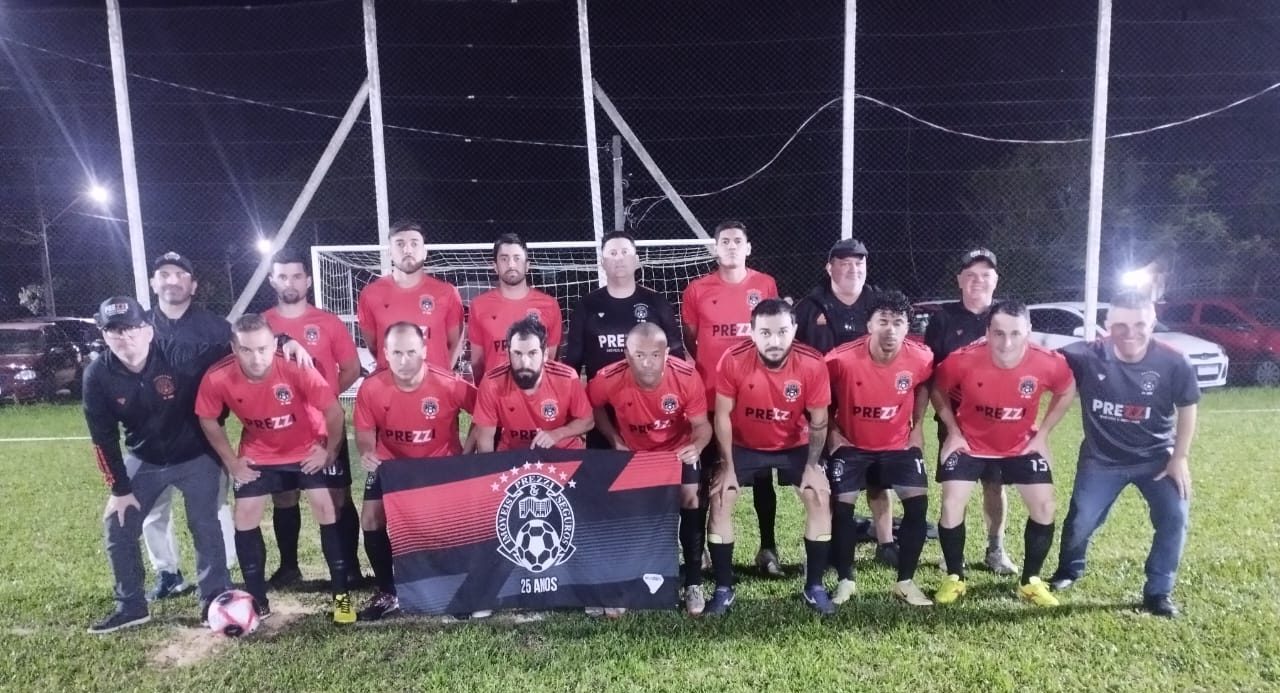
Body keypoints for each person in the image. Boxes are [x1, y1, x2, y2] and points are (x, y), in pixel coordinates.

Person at [81, 296, 233, 634]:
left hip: (196, 455)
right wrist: (120, 489)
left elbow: (231, 347)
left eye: (132, 328)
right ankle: (131, 606)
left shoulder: (179, 354)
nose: (125, 337)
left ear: (148, 330)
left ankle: (214, 597)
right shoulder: (97, 375)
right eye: (115, 330)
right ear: (104, 335)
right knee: (117, 524)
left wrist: (284, 341)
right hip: (145, 458)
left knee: (205, 523)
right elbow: (102, 439)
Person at [195, 314, 355, 624]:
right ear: (234, 348)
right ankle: (257, 601)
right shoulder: (217, 376)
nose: (256, 358)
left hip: (306, 447)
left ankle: (342, 598)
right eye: (247, 350)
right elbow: (207, 418)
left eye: (263, 349)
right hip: (259, 451)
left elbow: (334, 412)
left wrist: (328, 451)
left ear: (274, 345)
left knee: (326, 507)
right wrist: (231, 461)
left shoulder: (295, 366)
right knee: (245, 513)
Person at [1048, 291, 1199, 617]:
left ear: (1153, 323)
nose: (1130, 333)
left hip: (1157, 458)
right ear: (1107, 324)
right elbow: (1036, 361)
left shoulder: (1175, 361)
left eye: (1139, 324)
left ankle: (1159, 591)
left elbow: (1188, 407)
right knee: (1082, 518)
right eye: (1121, 325)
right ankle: (1069, 570)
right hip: (1101, 459)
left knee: (1175, 515)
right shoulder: (1086, 355)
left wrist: (1180, 458)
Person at [931, 300, 1076, 606]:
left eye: (1015, 333)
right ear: (987, 332)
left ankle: (1030, 581)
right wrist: (953, 431)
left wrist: (1043, 434)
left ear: (1028, 331)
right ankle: (954, 577)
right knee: (951, 503)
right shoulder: (963, 359)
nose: (1006, 342)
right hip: (971, 444)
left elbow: (1066, 389)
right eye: (998, 333)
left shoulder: (1048, 362)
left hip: (1020, 445)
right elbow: (937, 388)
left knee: (1045, 505)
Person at [705, 299, 833, 616]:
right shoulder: (733, 360)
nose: (774, 341)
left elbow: (819, 421)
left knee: (818, 496)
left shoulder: (812, 363)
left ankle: (814, 587)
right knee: (721, 497)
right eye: (765, 333)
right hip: (744, 444)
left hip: (794, 444)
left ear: (794, 330)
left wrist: (812, 466)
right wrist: (727, 466)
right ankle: (723, 588)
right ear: (751, 332)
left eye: (782, 332)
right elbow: (722, 416)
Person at [681, 220, 786, 577]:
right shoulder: (696, 290)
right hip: (712, 399)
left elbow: (772, 333)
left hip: (755, 398)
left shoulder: (764, 284)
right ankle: (702, 551)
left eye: (737, 241)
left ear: (748, 248)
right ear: (715, 248)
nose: (730, 246)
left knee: (761, 477)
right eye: (724, 241)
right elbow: (692, 340)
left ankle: (767, 548)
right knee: (707, 474)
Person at [353, 322, 476, 621]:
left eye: (411, 352)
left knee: (446, 526)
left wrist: (467, 453)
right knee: (370, 518)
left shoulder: (449, 383)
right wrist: (368, 452)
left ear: (424, 350)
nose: (404, 360)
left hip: (438, 465)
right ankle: (388, 591)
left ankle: (453, 589)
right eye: (397, 353)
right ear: (385, 353)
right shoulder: (371, 388)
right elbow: (364, 431)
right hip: (390, 464)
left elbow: (485, 411)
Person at [587, 322, 712, 616]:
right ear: (627, 355)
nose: (647, 362)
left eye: (655, 355)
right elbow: (592, 405)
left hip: (676, 452)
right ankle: (624, 583)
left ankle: (693, 581)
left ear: (666, 354)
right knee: (625, 510)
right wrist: (614, 439)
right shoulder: (608, 378)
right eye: (639, 355)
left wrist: (696, 446)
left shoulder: (686, 377)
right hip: (636, 455)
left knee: (690, 497)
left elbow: (702, 426)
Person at [824, 291, 935, 606]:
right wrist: (832, 431)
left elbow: (924, 384)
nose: (890, 329)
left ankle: (905, 582)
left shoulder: (921, 357)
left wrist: (917, 426)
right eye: (883, 321)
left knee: (918, 506)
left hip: (899, 445)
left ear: (907, 327)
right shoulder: (839, 359)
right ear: (869, 325)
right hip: (852, 445)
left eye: (898, 322)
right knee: (841, 508)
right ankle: (845, 580)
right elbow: (818, 394)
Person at [793, 238, 899, 568]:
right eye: (845, 263)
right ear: (830, 267)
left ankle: (886, 542)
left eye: (859, 263)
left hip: (871, 406)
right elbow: (795, 356)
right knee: (828, 480)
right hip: (822, 408)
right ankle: (829, 543)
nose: (854, 269)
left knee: (878, 479)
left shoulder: (880, 304)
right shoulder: (810, 307)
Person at [263, 249, 364, 588]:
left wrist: (326, 399)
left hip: (323, 427)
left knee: (337, 496)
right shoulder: (262, 325)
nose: (289, 283)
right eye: (282, 276)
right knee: (284, 496)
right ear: (272, 280)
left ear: (307, 280)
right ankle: (289, 567)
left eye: (296, 276)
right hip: (281, 430)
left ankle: (350, 568)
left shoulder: (328, 322)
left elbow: (351, 368)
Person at [140, 251, 236, 601]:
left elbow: (239, 370)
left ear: (193, 285)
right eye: (164, 274)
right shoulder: (138, 327)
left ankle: (223, 573)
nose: (172, 280)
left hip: (202, 435)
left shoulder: (217, 328)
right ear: (153, 283)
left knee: (213, 508)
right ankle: (168, 573)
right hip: (151, 438)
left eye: (180, 274)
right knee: (153, 511)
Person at [923, 248, 1017, 576]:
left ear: (996, 280)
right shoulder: (943, 319)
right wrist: (949, 424)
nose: (978, 281)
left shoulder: (1007, 317)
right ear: (960, 280)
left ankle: (995, 549)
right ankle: (952, 553)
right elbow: (932, 376)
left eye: (985, 275)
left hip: (997, 424)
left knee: (995, 486)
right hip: (955, 422)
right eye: (971, 275)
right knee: (955, 487)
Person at [563, 230, 683, 383]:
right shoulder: (586, 305)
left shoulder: (657, 302)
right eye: (612, 253)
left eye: (625, 252)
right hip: (602, 395)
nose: (619, 258)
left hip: (649, 395)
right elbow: (573, 359)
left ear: (636, 260)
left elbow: (676, 353)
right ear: (602, 262)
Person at [472, 316, 594, 453]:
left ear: (545, 354)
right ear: (508, 354)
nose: (525, 362)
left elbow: (588, 421)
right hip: (514, 453)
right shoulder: (491, 382)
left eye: (532, 353)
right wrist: (490, 466)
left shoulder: (567, 378)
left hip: (562, 452)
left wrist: (557, 434)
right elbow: (485, 439)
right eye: (517, 353)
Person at [356, 221, 464, 371]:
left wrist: (441, 375)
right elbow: (374, 346)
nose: (407, 250)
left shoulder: (447, 292)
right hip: (389, 382)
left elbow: (455, 343)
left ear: (424, 252)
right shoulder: (370, 294)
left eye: (414, 244)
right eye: (400, 244)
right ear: (390, 253)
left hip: (436, 382)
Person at [466, 233, 563, 380]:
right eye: (504, 259)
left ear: (527, 266)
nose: (511, 265)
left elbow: (551, 360)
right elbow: (477, 364)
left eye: (517, 258)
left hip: (536, 392)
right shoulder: (479, 306)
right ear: (495, 266)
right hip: (495, 391)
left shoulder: (549, 305)